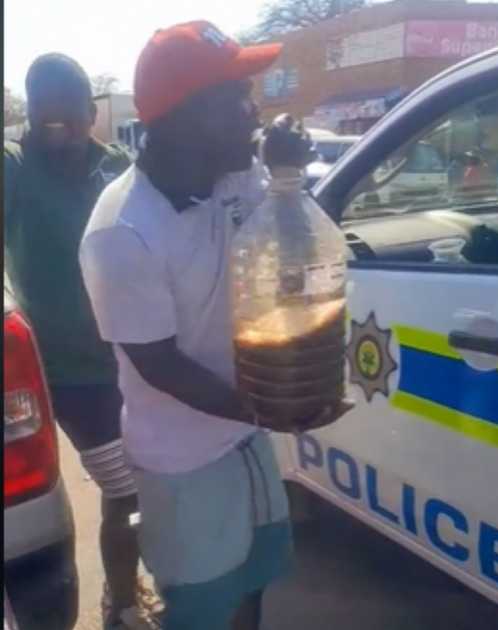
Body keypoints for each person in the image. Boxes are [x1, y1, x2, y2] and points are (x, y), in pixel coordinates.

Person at [79, 21, 347, 630]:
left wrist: (285, 169)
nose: (253, 112)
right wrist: (273, 408)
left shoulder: (231, 175)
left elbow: (293, 239)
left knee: (253, 584)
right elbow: (159, 364)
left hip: (243, 435)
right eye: (235, 97)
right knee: (202, 608)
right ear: (184, 116)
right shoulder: (122, 232)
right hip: (183, 460)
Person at [2, 53, 162, 630]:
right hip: (67, 373)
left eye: (70, 117)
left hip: (134, 358)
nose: (60, 130)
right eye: (45, 119)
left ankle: (137, 584)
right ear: (29, 116)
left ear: (91, 113)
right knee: (125, 488)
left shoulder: (115, 164)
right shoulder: (15, 165)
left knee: (149, 481)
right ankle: (120, 604)